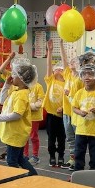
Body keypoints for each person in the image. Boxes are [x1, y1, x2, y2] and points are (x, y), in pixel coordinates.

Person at [0, 60, 38, 176]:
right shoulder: (16, 91)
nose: (11, 76)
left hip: (16, 133)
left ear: (22, 79)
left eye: (14, 74)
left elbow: (17, 114)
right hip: (12, 132)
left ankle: (16, 180)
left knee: (12, 161)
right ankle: (34, 176)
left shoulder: (22, 95)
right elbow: (2, 100)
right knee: (19, 159)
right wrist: (7, 85)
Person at [72, 64, 95, 171]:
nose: (87, 77)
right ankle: (78, 169)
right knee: (79, 150)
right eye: (84, 74)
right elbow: (74, 108)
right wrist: (80, 112)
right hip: (82, 128)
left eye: (90, 75)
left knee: (94, 151)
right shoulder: (79, 93)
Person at [43, 39, 67, 167]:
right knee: (51, 138)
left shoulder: (66, 83)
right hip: (52, 115)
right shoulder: (50, 81)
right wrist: (50, 51)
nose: (58, 71)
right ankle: (52, 156)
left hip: (63, 115)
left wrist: (63, 108)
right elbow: (48, 67)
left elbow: (69, 99)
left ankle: (61, 156)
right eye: (56, 69)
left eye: (60, 69)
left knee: (62, 138)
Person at [59, 39, 79, 169]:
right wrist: (61, 45)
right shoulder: (67, 74)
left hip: (76, 113)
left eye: (74, 62)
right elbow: (64, 59)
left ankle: (78, 159)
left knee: (78, 138)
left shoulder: (80, 78)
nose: (71, 63)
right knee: (70, 138)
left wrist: (69, 94)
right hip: (66, 112)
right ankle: (72, 159)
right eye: (71, 62)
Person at [23, 81, 45, 164]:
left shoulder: (38, 86)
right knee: (24, 136)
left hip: (34, 117)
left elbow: (40, 103)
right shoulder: (24, 86)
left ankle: (35, 156)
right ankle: (25, 155)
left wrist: (29, 106)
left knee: (33, 136)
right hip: (24, 116)